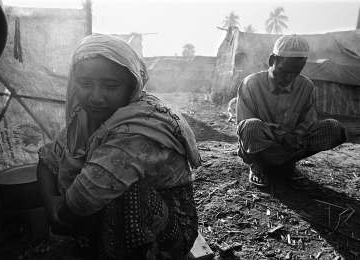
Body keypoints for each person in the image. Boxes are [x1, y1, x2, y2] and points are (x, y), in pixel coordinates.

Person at [37, 34, 200, 260]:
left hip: (170, 233)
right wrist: (52, 207)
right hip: (101, 220)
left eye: (110, 86)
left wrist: (61, 216)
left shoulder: (138, 128)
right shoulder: (85, 119)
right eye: (85, 84)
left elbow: (84, 197)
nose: (95, 96)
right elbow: (47, 159)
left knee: (125, 195)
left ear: (131, 86)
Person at [236, 34, 347, 187]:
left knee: (334, 129)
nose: (288, 78)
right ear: (272, 60)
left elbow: (308, 121)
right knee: (250, 127)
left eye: (295, 73)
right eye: (283, 71)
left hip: (291, 144)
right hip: (261, 145)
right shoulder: (251, 84)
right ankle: (259, 166)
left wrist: (297, 136)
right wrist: (282, 136)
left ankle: (287, 163)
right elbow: (243, 124)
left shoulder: (306, 86)